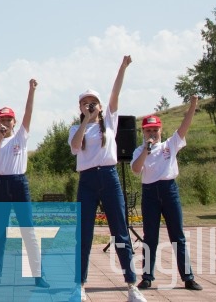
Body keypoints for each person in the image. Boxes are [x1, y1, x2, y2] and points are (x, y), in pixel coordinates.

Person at [68, 56, 146, 302]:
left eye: (93, 103)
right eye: (84, 103)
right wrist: (87, 121)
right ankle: (80, 284)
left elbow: (115, 91)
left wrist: (122, 67)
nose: (89, 105)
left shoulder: (110, 121)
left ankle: (131, 285)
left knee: (120, 231)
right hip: (88, 181)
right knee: (84, 233)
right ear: (80, 108)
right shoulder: (76, 128)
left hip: (109, 177)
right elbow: (75, 146)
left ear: (101, 106)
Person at [0, 78, 49, 288]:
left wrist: (31, 90)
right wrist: (0, 139)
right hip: (2, 185)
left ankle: (39, 275)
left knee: (28, 230)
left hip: (20, 184)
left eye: (9, 120)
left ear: (14, 121)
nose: (5, 123)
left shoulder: (21, 136)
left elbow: (29, 113)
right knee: (0, 231)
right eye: (2, 119)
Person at [131, 96, 203, 291]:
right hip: (150, 193)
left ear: (160, 130)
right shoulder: (139, 150)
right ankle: (147, 277)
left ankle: (188, 277)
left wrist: (193, 106)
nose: (152, 133)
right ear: (143, 132)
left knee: (177, 235)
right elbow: (136, 169)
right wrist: (147, 149)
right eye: (148, 130)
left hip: (169, 190)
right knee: (150, 236)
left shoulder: (169, 145)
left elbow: (184, 127)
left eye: (155, 129)